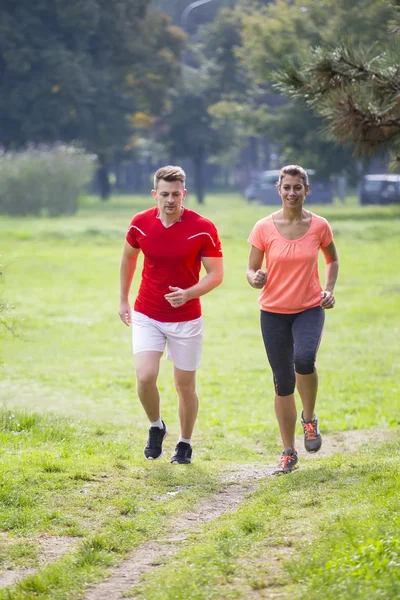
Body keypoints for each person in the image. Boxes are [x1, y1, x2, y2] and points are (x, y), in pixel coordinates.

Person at [118, 166, 223, 464]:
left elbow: (216, 274)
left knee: (185, 386)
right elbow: (128, 258)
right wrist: (123, 299)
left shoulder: (202, 227)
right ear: (155, 195)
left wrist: (189, 293)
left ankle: (185, 443)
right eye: (164, 194)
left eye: (176, 194)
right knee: (145, 376)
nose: (170, 200)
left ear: (184, 194)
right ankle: (156, 426)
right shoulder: (140, 224)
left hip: (186, 318)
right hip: (147, 312)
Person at [247, 164, 339, 475]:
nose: (291, 192)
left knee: (303, 359)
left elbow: (332, 258)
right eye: (286, 187)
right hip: (272, 312)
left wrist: (328, 290)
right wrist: (255, 277)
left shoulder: (319, 226)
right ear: (278, 189)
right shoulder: (263, 227)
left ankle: (309, 419)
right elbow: (250, 270)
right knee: (283, 382)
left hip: (309, 308)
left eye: (297, 187)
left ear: (306, 190)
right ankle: (288, 452)